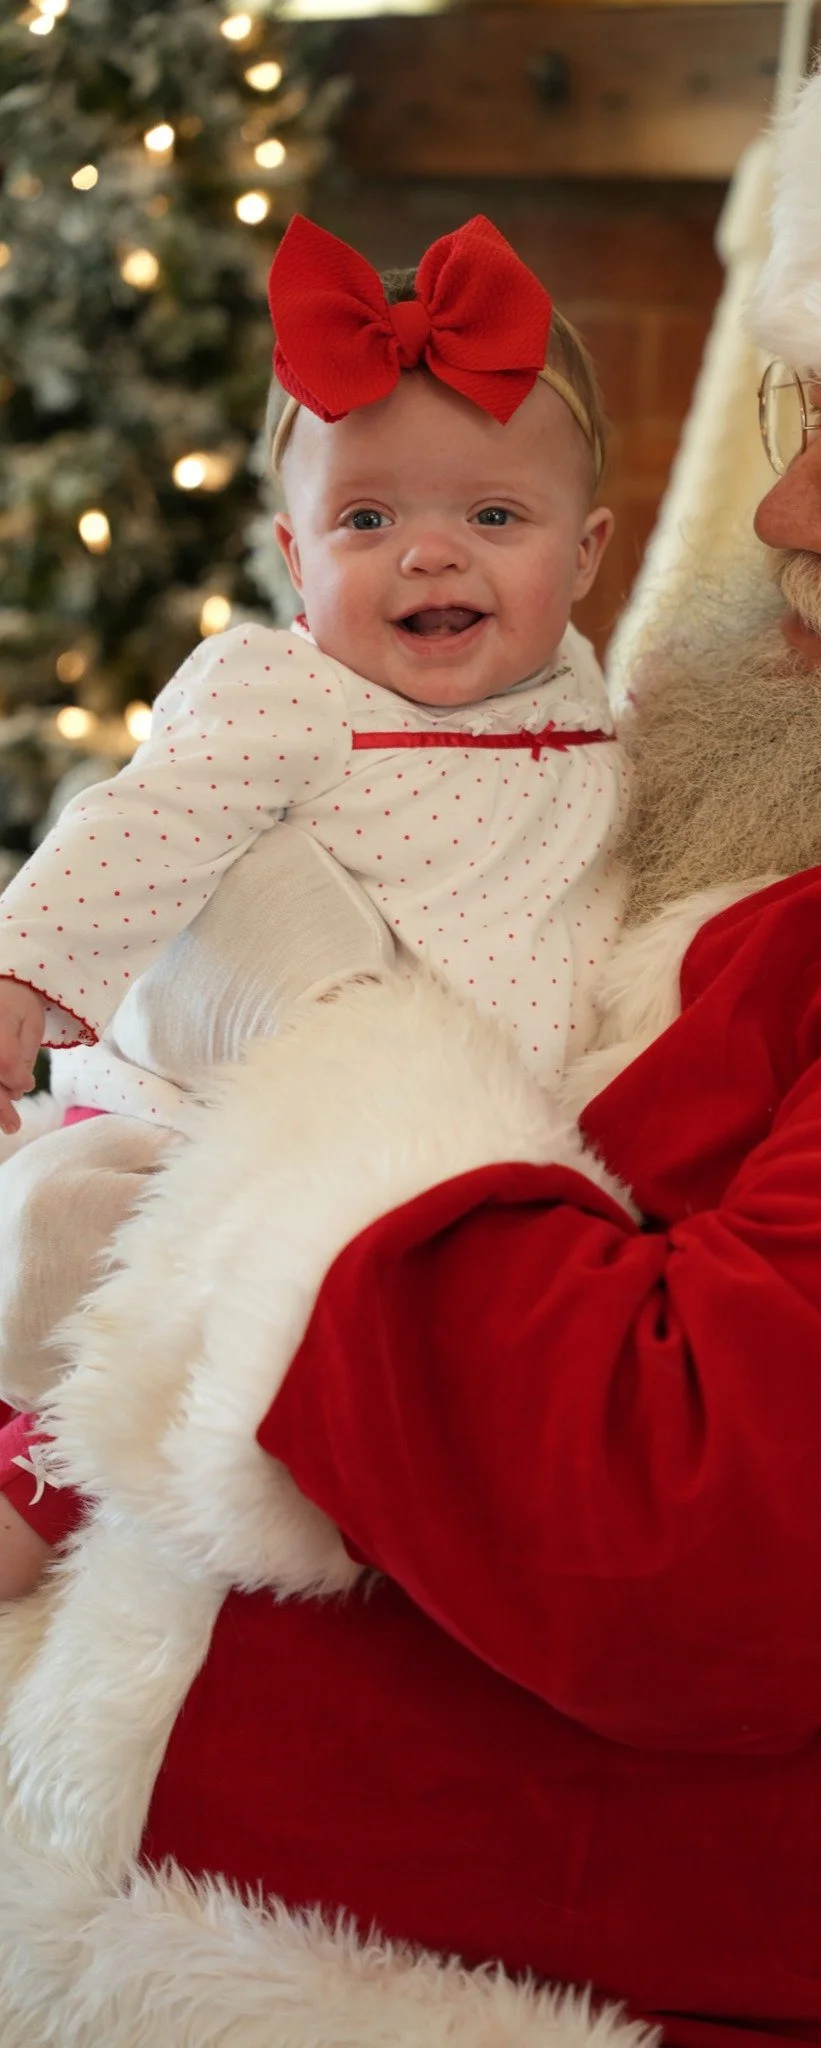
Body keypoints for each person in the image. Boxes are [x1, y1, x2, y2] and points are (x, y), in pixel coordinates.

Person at [0, 30, 821, 2048]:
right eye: (813, 422)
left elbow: (686, 1532)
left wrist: (328, 1019)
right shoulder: (799, 806)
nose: (788, 511)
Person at [0, 211, 620, 1409]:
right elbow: (144, 824)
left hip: (437, 1147)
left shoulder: (599, 704)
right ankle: (44, 1457)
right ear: (295, 555)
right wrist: (18, 969)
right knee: (78, 1240)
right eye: (367, 521)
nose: (430, 557)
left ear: (586, 552)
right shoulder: (285, 693)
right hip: (200, 1127)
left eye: (494, 518)